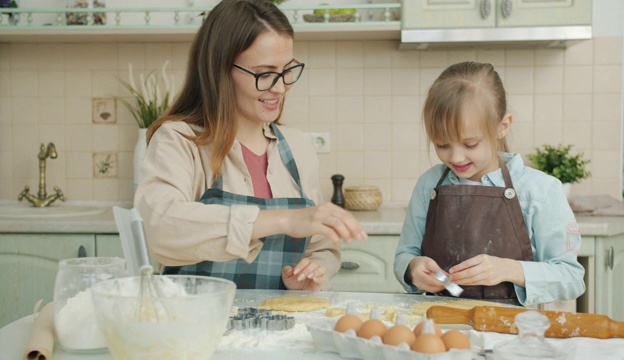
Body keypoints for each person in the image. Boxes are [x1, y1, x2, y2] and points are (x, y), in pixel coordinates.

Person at [134, 0, 367, 291]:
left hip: (277, 329)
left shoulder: (296, 146)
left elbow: (320, 248)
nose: (280, 88)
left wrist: (315, 270)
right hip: (194, 327)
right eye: (265, 73)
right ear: (220, 70)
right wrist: (284, 219)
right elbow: (159, 228)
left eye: (287, 70)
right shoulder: (179, 140)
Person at [393, 61, 585, 306]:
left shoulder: (539, 191)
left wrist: (509, 269)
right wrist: (412, 268)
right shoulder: (429, 184)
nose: (455, 157)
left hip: (514, 333)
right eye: (442, 144)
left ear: (501, 127)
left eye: (470, 144)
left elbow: (571, 277)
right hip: (439, 326)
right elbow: (404, 254)